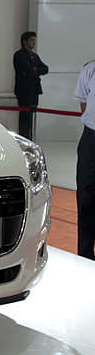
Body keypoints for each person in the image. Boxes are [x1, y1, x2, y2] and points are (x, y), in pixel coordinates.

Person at [74, 59, 95, 261]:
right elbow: (83, 104)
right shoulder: (90, 69)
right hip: (91, 139)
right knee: (86, 198)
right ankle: (85, 256)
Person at [13, 31, 48, 139]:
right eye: (31, 40)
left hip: (34, 89)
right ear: (25, 42)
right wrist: (35, 70)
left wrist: (35, 69)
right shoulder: (19, 55)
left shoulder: (34, 56)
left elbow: (45, 69)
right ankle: (24, 138)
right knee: (24, 117)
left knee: (31, 116)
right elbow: (28, 70)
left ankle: (30, 138)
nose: (33, 43)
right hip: (24, 90)